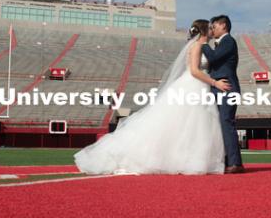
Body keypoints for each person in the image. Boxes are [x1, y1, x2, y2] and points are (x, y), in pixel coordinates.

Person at [74, 19, 231, 175]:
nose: (212, 31)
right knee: (192, 123)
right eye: (210, 28)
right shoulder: (197, 46)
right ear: (204, 31)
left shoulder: (199, 46)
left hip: (197, 86)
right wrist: (214, 83)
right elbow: (194, 71)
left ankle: (186, 158)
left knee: (189, 125)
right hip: (193, 86)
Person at [202, 15, 244, 174]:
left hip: (227, 87)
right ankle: (228, 161)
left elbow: (212, 57)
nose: (212, 29)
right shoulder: (219, 43)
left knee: (226, 122)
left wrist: (203, 43)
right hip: (217, 87)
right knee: (220, 125)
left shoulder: (228, 41)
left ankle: (235, 163)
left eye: (214, 26)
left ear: (223, 26)